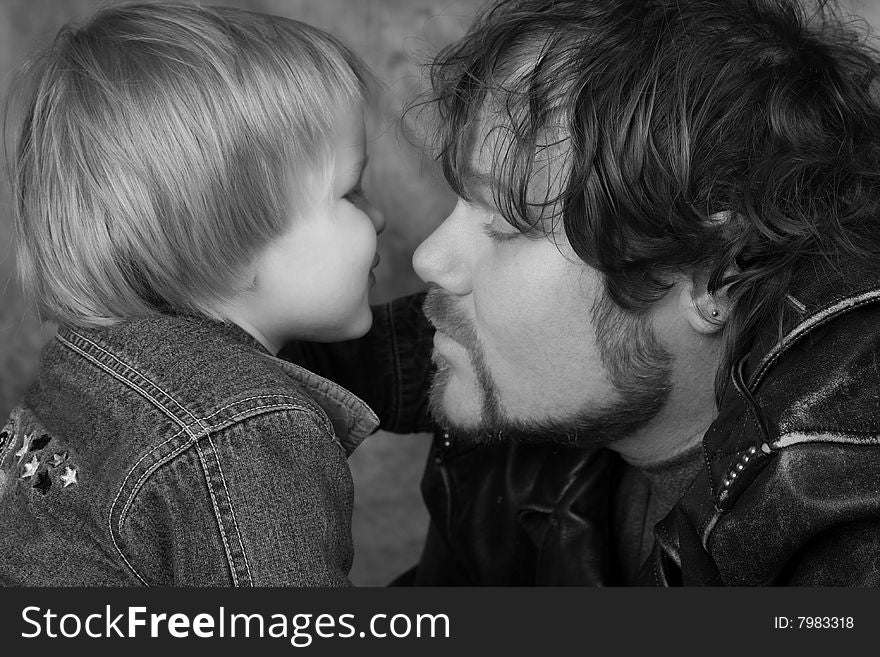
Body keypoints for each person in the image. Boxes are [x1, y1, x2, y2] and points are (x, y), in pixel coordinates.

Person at [284, 0, 880, 585]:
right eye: (462, 200)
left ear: (713, 276)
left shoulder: (841, 531)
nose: (429, 260)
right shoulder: (529, 383)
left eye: (505, 223)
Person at [0, 3, 385, 585]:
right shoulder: (247, 430)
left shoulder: (85, 365)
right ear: (229, 239)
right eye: (351, 194)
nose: (380, 218)